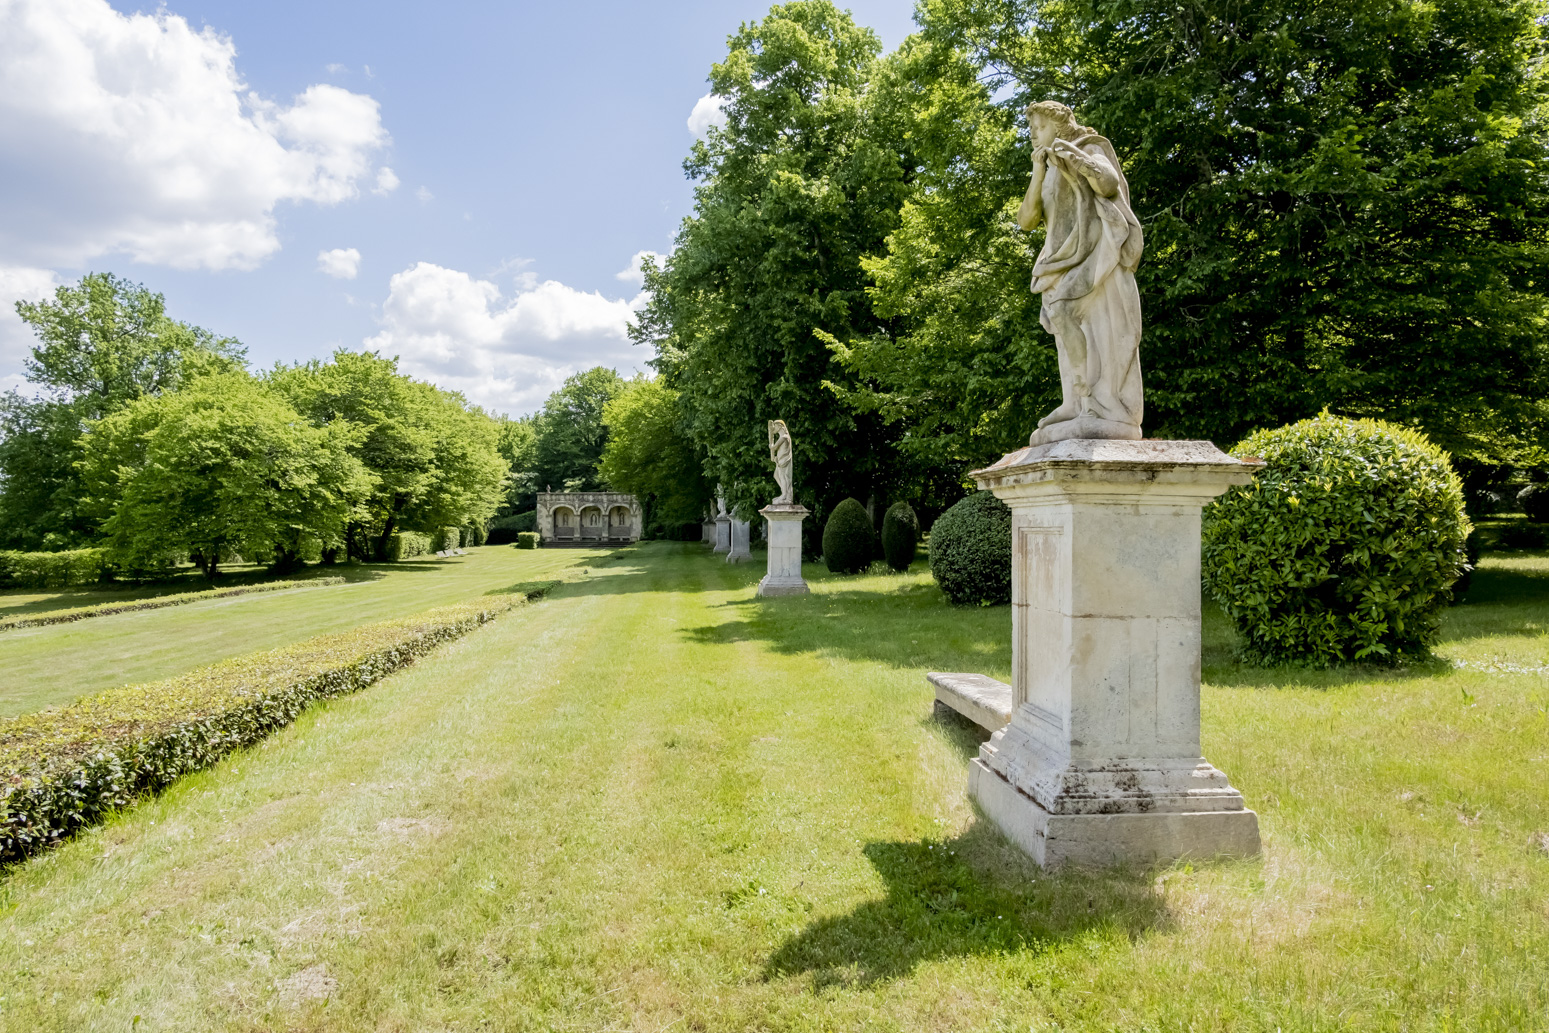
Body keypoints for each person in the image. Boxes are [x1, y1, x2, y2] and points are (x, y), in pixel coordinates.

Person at [1017, 100, 1145, 443]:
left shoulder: (1088, 147)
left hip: (1094, 256)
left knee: (1066, 314)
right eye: (1031, 129)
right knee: (1063, 327)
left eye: (1039, 127)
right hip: (1060, 259)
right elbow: (1027, 220)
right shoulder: (1045, 167)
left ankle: (1095, 400)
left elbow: (1107, 184)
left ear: (1059, 126)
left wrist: (1077, 158)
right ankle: (1075, 402)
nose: (1033, 134)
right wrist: (1038, 170)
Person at [768, 419, 793, 503]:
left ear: (780, 426)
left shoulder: (784, 437)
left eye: (775, 426)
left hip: (783, 461)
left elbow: (774, 447)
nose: (773, 428)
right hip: (780, 461)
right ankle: (784, 493)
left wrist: (771, 445)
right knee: (776, 475)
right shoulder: (782, 437)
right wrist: (776, 458)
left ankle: (785, 495)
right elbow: (780, 450)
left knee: (783, 477)